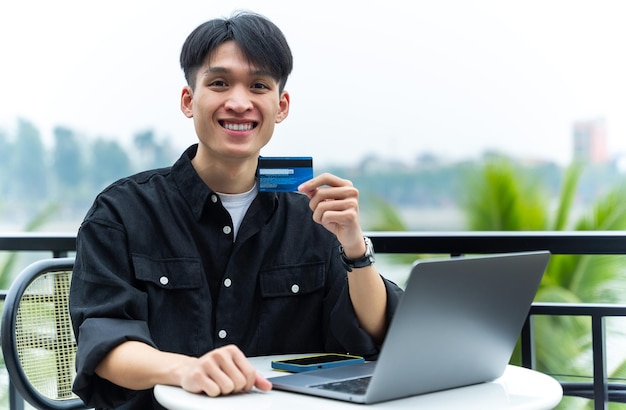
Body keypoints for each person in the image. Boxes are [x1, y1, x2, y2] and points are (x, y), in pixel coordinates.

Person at [69, 10, 404, 409]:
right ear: (189, 100)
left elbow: (375, 333)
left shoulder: (311, 218)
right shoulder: (122, 211)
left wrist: (353, 246)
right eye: (220, 83)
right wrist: (185, 370)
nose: (240, 102)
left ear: (280, 106)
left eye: (259, 85)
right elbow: (105, 343)